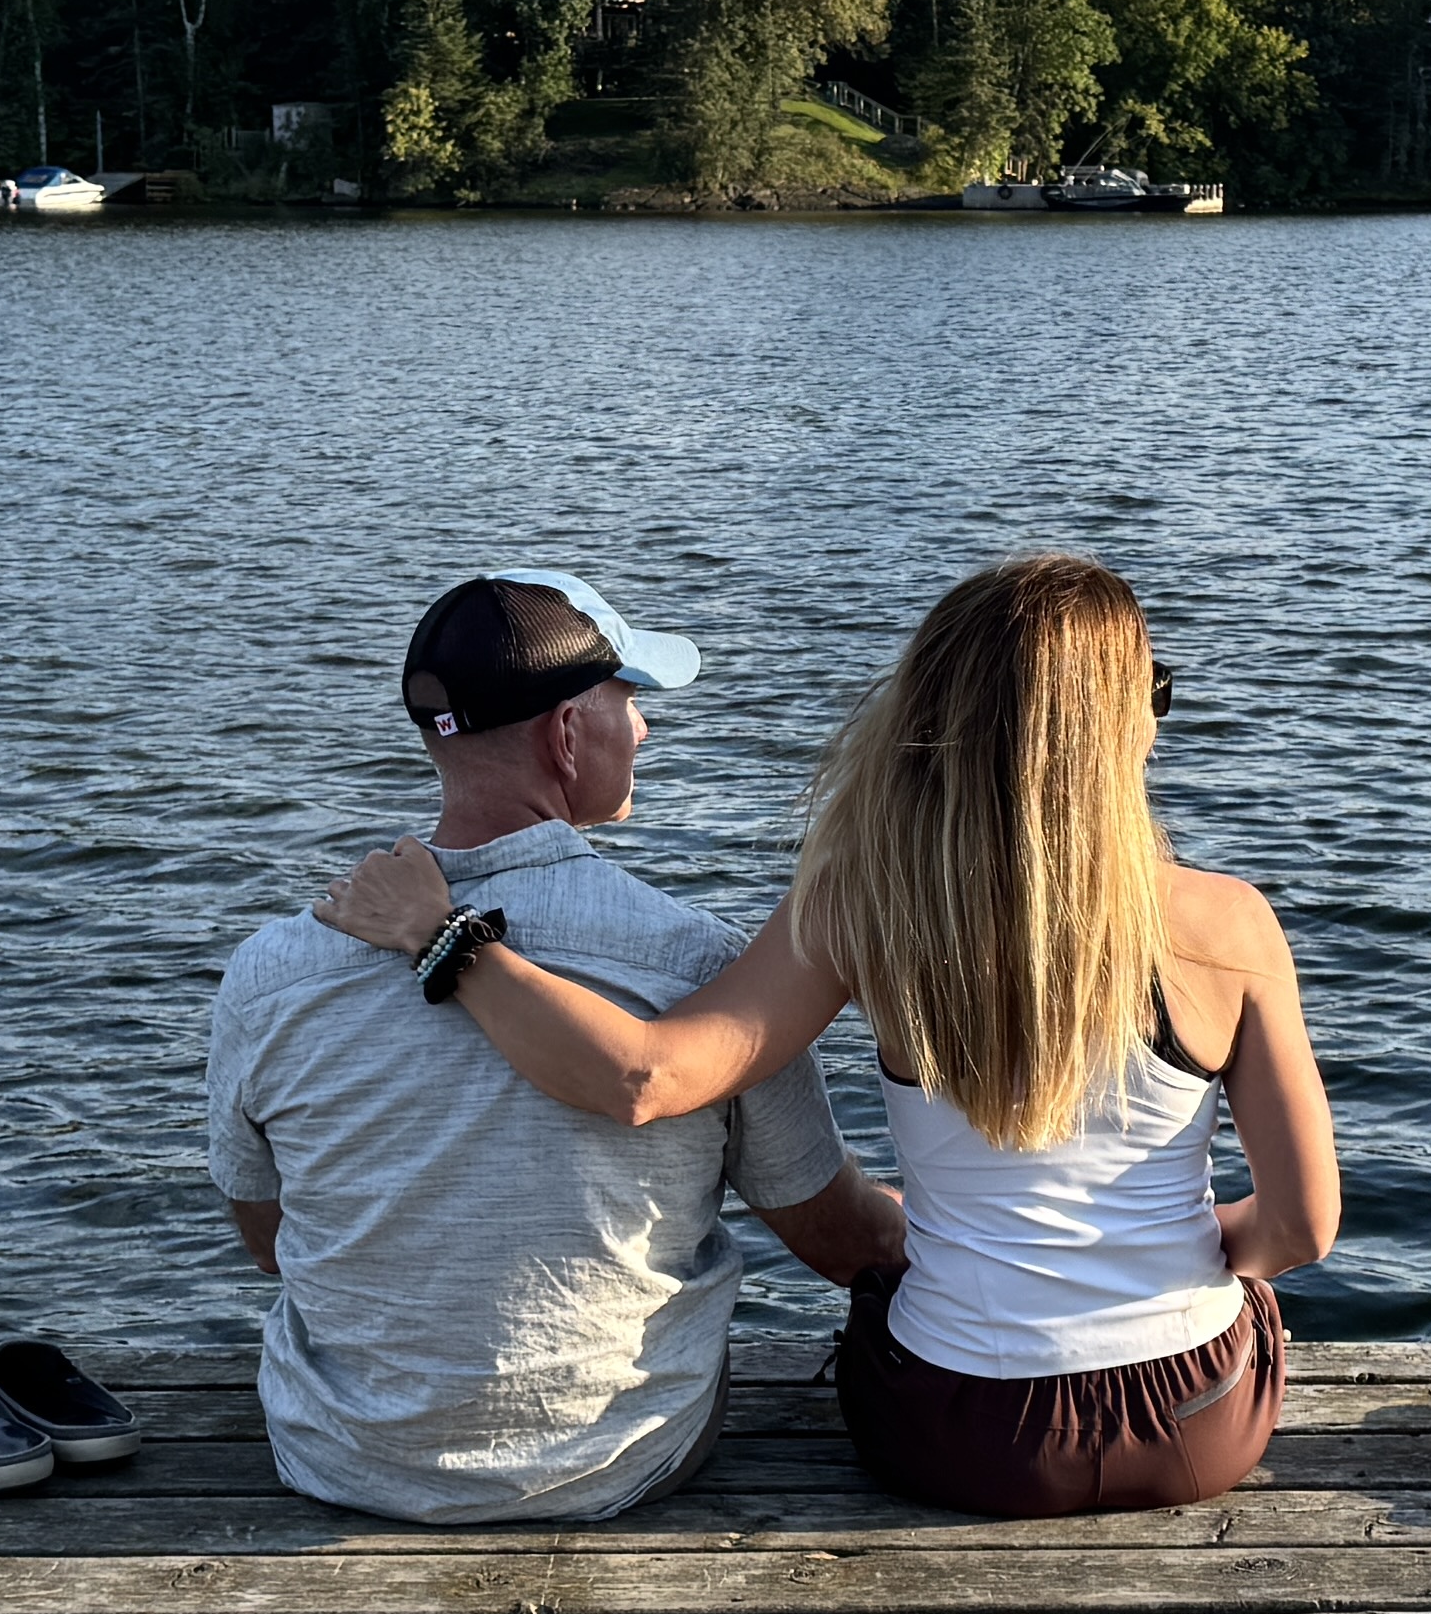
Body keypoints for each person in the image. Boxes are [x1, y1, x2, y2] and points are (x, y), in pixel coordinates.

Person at [315, 551, 1338, 1519]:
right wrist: (1197, 1254)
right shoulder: (1232, 924)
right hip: (1198, 1427)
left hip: (954, 1432)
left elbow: (642, 1078)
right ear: (1118, 725)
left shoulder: (868, 902)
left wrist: (445, 940)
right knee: (1240, 1307)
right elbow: (1302, 1230)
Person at [207, 568, 906, 1524]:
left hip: (344, 1456)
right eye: (631, 701)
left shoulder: (270, 969)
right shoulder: (693, 962)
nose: (646, 730)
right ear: (567, 733)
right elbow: (838, 1241)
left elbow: (270, 1242)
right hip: (612, 1459)